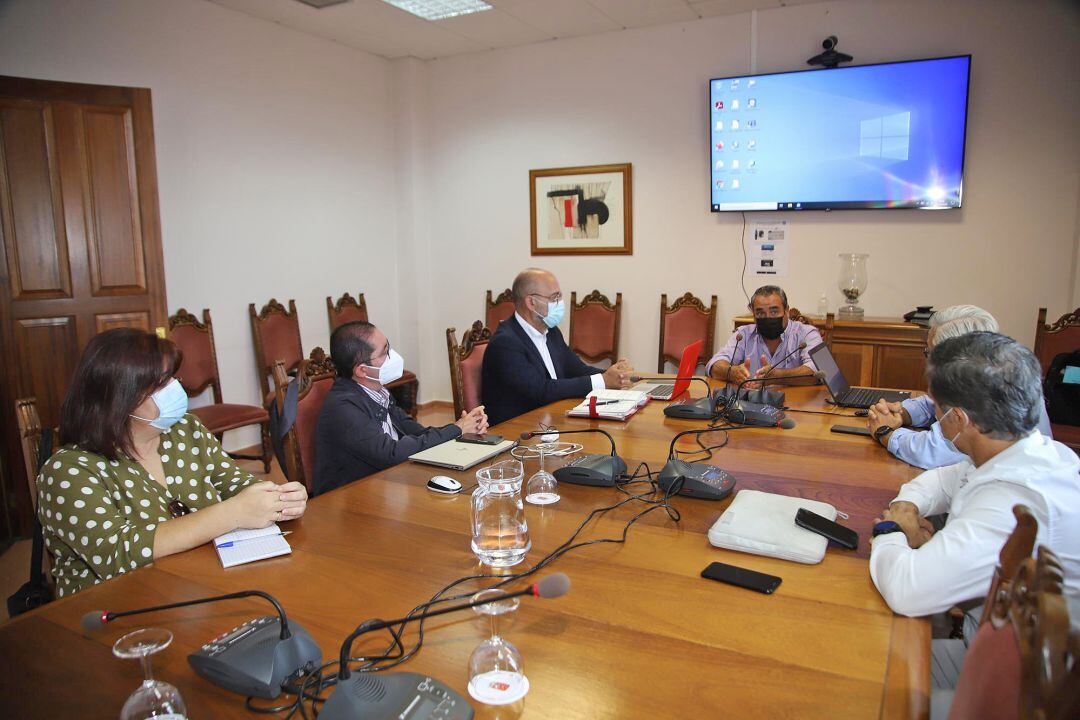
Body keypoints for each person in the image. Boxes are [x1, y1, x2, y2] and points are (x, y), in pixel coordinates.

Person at [36, 328, 308, 597]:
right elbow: (117, 553)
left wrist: (277, 499)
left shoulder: (185, 430)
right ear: (119, 399)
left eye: (173, 378)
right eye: (160, 384)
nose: (175, 390)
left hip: (201, 586)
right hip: (114, 609)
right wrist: (233, 513)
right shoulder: (67, 471)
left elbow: (233, 483)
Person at [869, 332, 1080, 617]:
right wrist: (906, 507)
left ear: (958, 419)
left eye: (936, 406)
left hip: (1009, 656)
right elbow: (945, 480)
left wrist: (891, 529)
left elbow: (906, 591)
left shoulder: (1014, 502)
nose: (933, 411)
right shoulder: (1026, 450)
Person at [314, 321, 488, 495]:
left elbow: (418, 433)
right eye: (384, 352)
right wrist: (456, 429)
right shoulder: (342, 407)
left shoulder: (378, 391)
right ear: (362, 371)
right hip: (351, 499)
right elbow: (392, 454)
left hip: (388, 485)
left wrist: (463, 426)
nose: (392, 355)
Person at [868, 307, 1053, 469]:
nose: (928, 360)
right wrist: (902, 412)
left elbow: (934, 451)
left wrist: (886, 432)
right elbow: (934, 404)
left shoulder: (988, 387)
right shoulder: (992, 369)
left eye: (929, 352)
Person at [481, 268, 634, 426]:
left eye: (560, 296)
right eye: (554, 297)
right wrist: (603, 381)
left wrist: (615, 375)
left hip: (550, 420)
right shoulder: (506, 342)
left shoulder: (551, 331)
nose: (560, 303)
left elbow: (577, 369)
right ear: (531, 302)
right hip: (516, 430)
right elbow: (541, 390)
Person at [706, 285, 822, 388]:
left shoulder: (807, 334)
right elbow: (714, 365)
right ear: (754, 315)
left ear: (786, 310)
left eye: (774, 312)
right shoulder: (743, 335)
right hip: (752, 405)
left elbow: (816, 372)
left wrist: (776, 376)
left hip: (796, 405)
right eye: (760, 313)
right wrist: (732, 372)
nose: (768, 317)